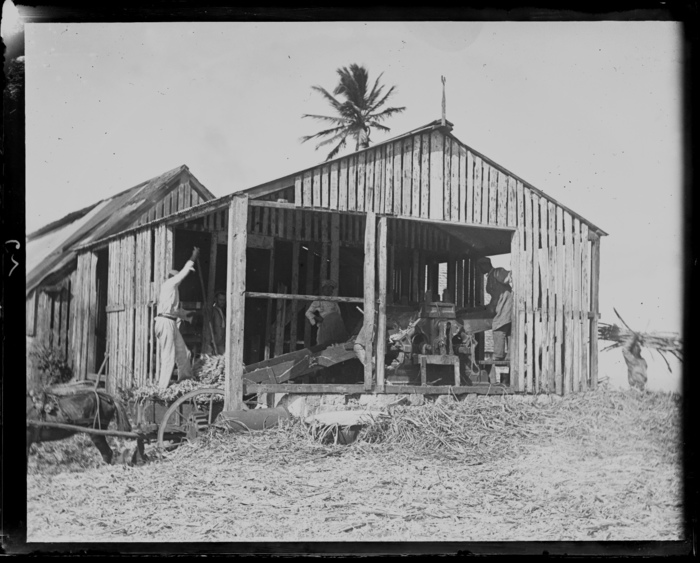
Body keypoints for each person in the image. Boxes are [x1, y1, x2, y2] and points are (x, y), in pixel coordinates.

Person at [155, 247, 199, 389]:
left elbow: (176, 312)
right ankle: (162, 388)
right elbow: (182, 274)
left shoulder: (173, 292)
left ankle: (185, 381)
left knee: (184, 353)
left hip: (171, 322)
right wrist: (193, 258)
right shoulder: (169, 284)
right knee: (168, 356)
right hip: (165, 322)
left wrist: (188, 315)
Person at [477, 257, 513, 361]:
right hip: (501, 305)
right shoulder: (491, 276)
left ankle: (498, 355)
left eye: (480, 267)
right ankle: (510, 355)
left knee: (498, 326)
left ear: (485, 265)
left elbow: (508, 277)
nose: (479, 270)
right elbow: (495, 296)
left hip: (506, 305)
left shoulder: (498, 272)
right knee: (508, 330)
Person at [305, 279, 349, 347]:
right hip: (325, 326)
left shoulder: (334, 301)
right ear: (323, 289)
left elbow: (338, 314)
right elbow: (308, 313)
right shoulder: (319, 300)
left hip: (335, 327)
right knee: (325, 344)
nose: (329, 290)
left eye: (331, 289)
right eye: (327, 288)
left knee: (336, 344)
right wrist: (317, 318)